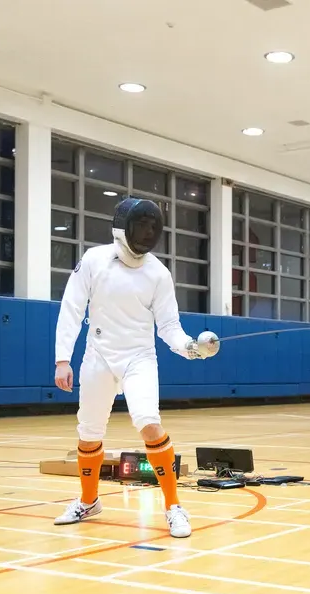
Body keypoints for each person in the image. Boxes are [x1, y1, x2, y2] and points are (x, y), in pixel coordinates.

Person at [53, 198, 217, 538]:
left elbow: (169, 326)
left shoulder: (158, 273)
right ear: (123, 227)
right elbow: (71, 308)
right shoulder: (95, 260)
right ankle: (88, 500)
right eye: (141, 225)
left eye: (151, 226)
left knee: (149, 425)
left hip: (139, 358)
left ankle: (173, 506)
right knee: (89, 433)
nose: (146, 232)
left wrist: (189, 348)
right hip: (98, 355)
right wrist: (62, 359)